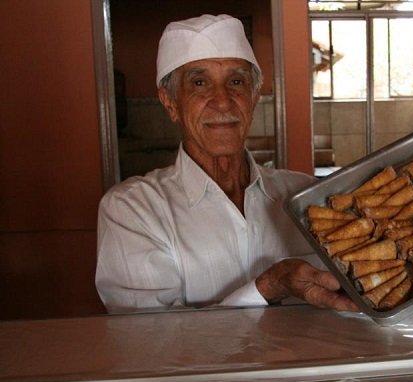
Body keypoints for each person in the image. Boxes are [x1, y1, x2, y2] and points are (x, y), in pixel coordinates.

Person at [96, 14, 358, 314]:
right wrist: (269, 287)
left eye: (236, 81)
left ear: (254, 95)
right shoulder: (134, 210)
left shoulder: (306, 196)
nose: (222, 101)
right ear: (170, 102)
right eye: (199, 83)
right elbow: (152, 340)